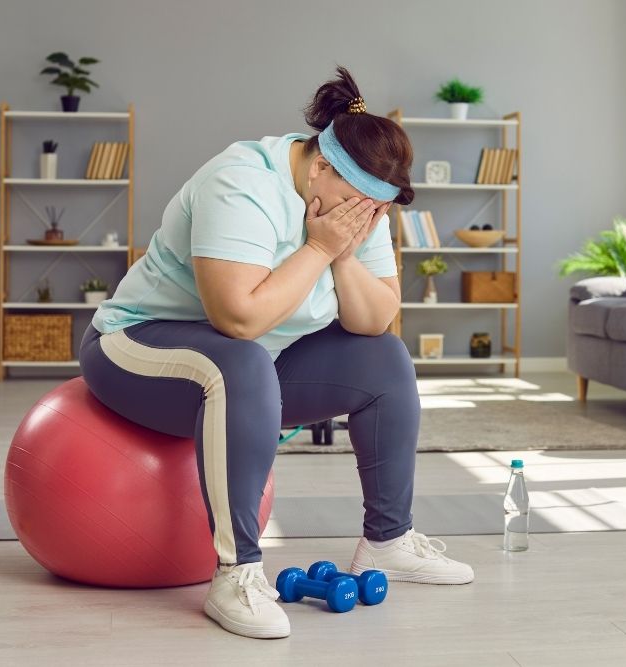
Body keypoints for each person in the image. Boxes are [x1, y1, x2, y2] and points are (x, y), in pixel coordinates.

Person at [77, 66, 473, 640]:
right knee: (241, 360)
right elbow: (236, 318)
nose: (368, 215)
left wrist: (342, 255)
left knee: (385, 360)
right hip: (137, 347)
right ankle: (236, 575)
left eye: (379, 208)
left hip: (256, 362)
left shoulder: (358, 206)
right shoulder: (241, 182)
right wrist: (319, 246)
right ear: (320, 167)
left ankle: (388, 542)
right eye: (360, 201)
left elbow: (375, 317)